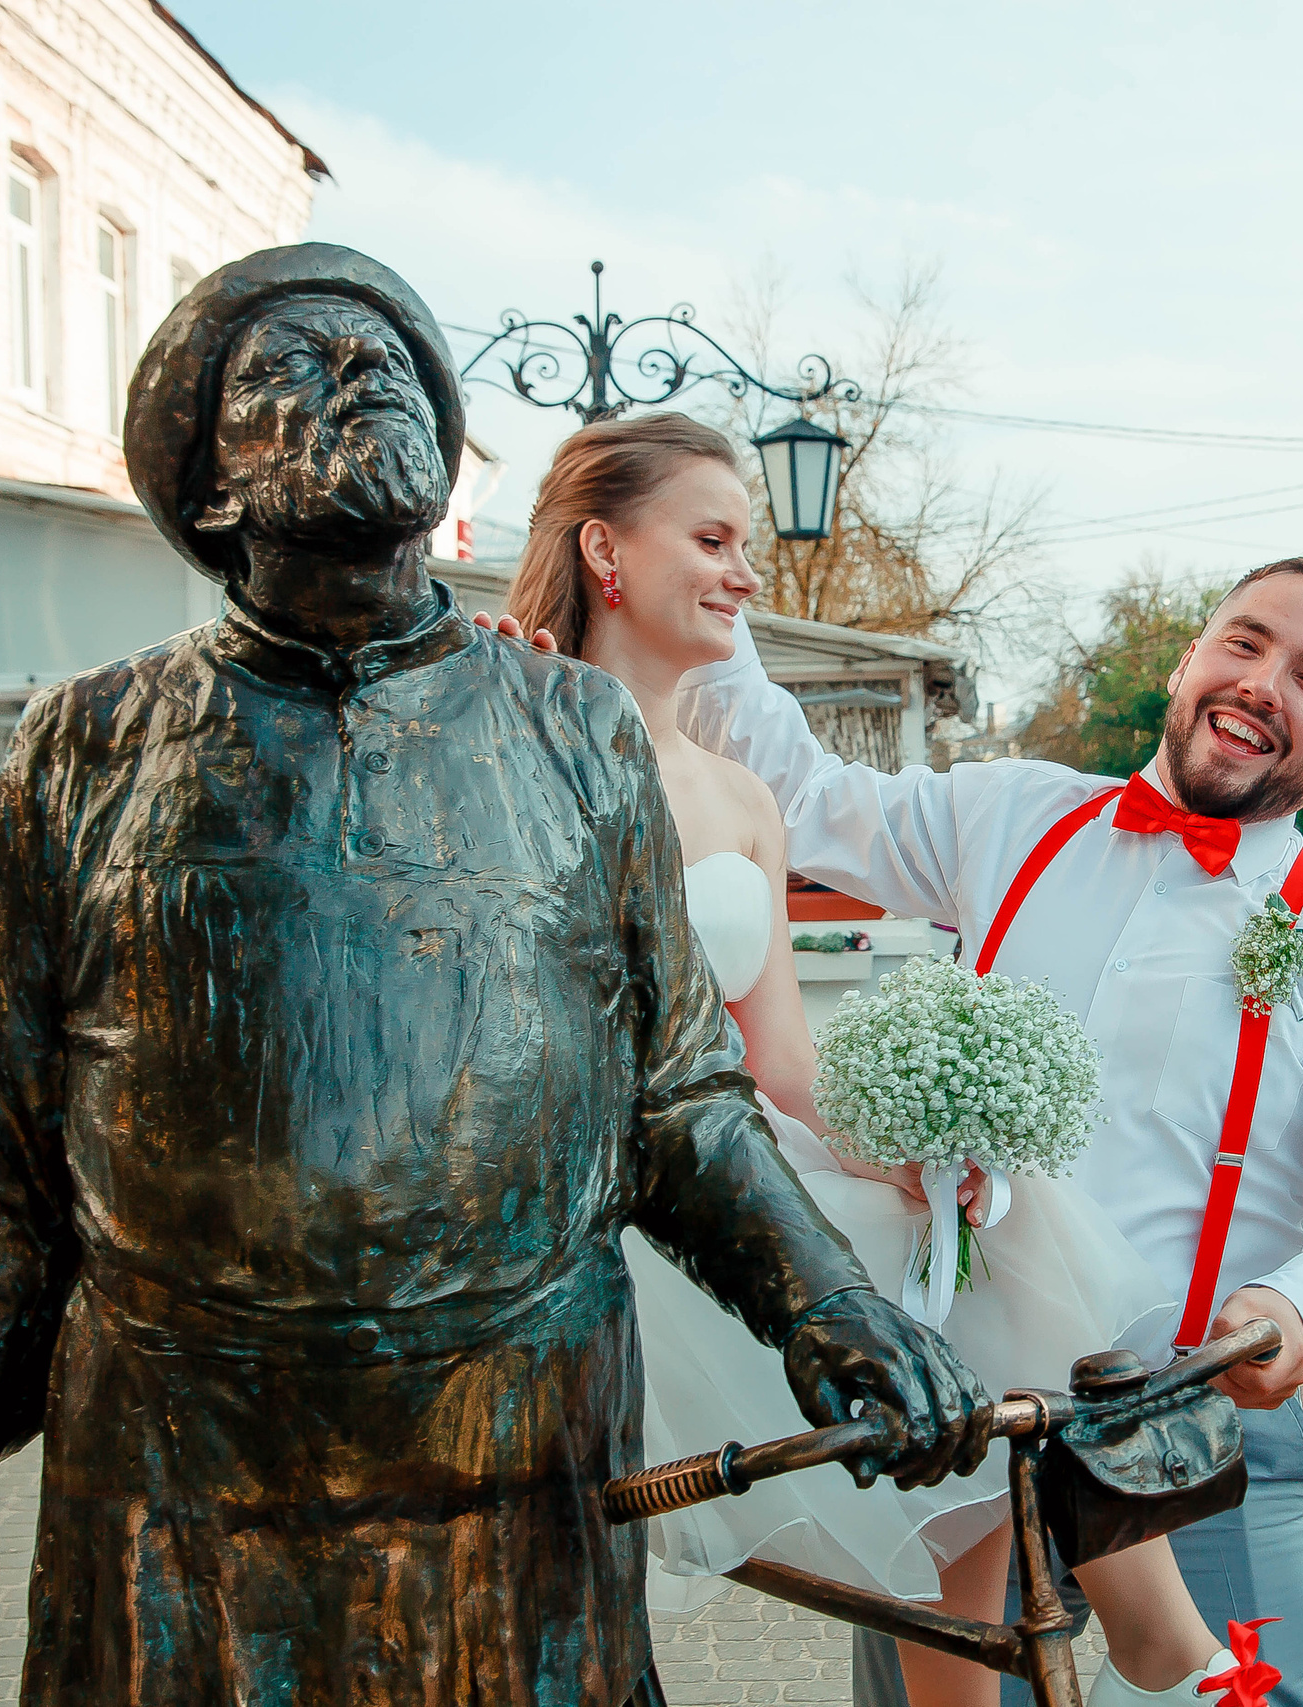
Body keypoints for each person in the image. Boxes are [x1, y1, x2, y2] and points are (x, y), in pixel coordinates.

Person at [0, 247, 987, 1707]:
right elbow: (6, 1164)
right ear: (208, 484)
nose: (358, 373)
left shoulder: (577, 731)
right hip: (179, 1463)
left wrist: (824, 1299)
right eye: (292, 365)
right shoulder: (86, 744)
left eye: (387, 357)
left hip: (508, 1449)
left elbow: (682, 1099)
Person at [633, 554, 1303, 1707]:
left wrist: (1298, 1306)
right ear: (1189, 661)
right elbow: (800, 792)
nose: (1263, 681)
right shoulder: (1011, 813)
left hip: (1195, 1435)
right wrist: (696, 577)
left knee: (1253, 1693)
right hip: (963, 1427)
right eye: (1244, 642)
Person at [494, 416, 1230, 1707]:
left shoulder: (740, 800)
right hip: (591, 1200)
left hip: (732, 1153)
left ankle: (1142, 1635)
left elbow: (780, 1056)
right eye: (712, 539)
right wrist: (477, 703)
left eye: (746, 545)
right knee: (951, 1316)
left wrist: (906, 1156)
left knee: (979, 1232)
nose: (744, 573)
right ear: (604, 550)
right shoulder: (505, 737)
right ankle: (1172, 1648)